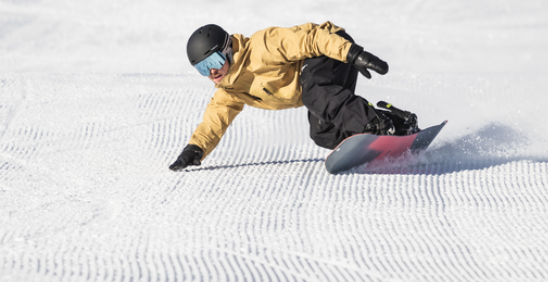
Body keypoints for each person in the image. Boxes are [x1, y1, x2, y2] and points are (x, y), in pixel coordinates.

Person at [169, 21, 418, 171]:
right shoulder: (229, 89)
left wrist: (351, 54)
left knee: (316, 95)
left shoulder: (263, 46)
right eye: (203, 68)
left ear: (228, 51)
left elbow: (311, 38)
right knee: (323, 133)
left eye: (213, 61)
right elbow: (214, 121)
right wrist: (196, 149)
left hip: (328, 48)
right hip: (315, 82)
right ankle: (399, 124)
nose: (211, 72)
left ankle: (376, 125)